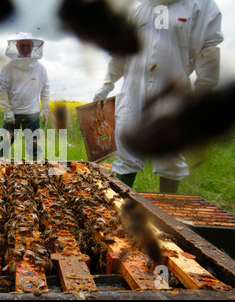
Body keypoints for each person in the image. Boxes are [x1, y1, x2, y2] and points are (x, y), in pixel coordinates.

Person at [93, 0, 223, 193]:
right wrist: (106, 85)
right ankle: (118, 207)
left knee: (170, 153)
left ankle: (167, 213)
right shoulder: (139, 10)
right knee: (126, 150)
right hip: (133, 91)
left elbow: (208, 50)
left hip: (172, 90)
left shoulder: (201, 6)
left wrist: (204, 91)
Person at [0, 32, 50, 161]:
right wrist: (7, 111)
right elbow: (1, 90)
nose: (25, 48)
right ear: (16, 46)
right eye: (22, 45)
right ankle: (0, 168)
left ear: (33, 46)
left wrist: (46, 109)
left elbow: (45, 90)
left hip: (32, 113)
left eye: (28, 45)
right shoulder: (8, 68)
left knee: (34, 145)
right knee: (5, 143)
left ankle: (36, 170)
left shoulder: (40, 68)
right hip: (13, 114)